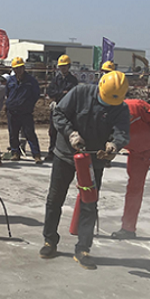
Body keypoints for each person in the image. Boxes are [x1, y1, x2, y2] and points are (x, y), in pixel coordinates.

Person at [40, 71, 130, 269]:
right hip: (65, 155)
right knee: (55, 198)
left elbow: (122, 132)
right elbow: (59, 114)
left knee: (89, 203)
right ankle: (49, 241)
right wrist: (71, 134)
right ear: (100, 87)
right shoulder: (79, 93)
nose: (108, 104)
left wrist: (114, 145)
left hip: (93, 161)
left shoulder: (120, 107)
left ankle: (83, 248)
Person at [111, 99, 150, 239]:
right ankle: (128, 228)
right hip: (136, 155)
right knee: (133, 191)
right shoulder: (106, 115)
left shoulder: (137, 107)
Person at [5, 57, 43, 163]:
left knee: (29, 133)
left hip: (25, 112)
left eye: (20, 68)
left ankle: (36, 155)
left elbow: (36, 94)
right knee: (13, 134)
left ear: (24, 68)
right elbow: (7, 93)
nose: (18, 70)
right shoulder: (10, 81)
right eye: (16, 68)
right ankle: (15, 153)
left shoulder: (31, 81)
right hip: (12, 112)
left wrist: (28, 105)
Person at [46, 55, 79, 155]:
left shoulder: (73, 80)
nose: (63, 68)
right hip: (57, 107)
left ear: (69, 66)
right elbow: (50, 92)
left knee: (66, 130)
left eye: (65, 66)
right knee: (53, 131)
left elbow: (71, 93)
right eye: (61, 66)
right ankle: (52, 152)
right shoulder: (56, 79)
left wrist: (59, 93)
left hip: (68, 109)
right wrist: (62, 93)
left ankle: (67, 152)